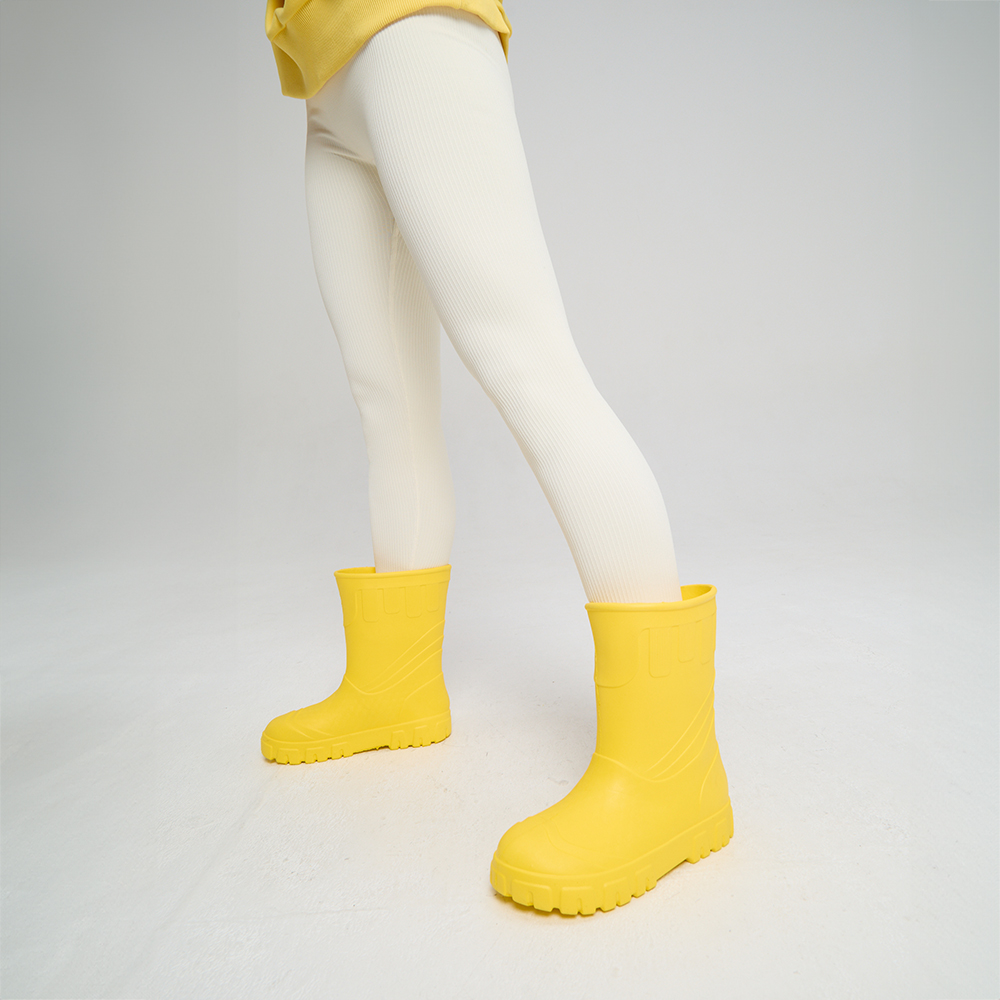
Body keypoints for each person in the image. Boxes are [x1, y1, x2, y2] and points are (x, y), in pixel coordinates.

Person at [260, 0, 733, 915]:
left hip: (411, 29)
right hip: (324, 76)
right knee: (387, 399)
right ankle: (395, 688)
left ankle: (672, 770)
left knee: (531, 368)